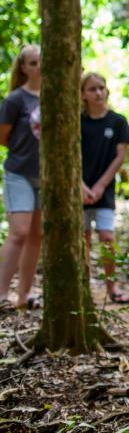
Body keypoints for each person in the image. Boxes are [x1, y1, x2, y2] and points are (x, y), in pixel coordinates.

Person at [80, 72, 129, 304]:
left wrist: (100, 186)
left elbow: (120, 156)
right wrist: (81, 186)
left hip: (105, 191)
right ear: (83, 94)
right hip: (79, 189)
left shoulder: (118, 121)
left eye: (102, 87)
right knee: (83, 238)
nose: (98, 92)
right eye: (92, 89)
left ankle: (112, 287)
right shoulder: (77, 122)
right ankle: (84, 290)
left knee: (107, 237)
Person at [0, 45, 42, 310]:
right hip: (19, 172)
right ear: (24, 67)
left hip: (46, 177)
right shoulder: (15, 99)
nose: (39, 67)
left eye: (41, 62)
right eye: (33, 63)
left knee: (37, 234)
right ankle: (1, 294)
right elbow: (3, 137)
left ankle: (23, 295)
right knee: (19, 232)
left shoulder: (55, 94)